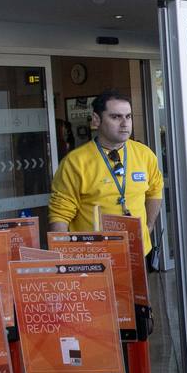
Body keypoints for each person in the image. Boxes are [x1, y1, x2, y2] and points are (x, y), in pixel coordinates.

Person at [48, 90, 164, 255]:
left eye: (128, 116)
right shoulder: (75, 162)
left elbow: (155, 190)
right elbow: (60, 214)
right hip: (93, 259)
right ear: (96, 120)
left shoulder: (145, 154)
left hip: (137, 253)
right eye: (116, 117)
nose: (125, 123)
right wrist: (64, 260)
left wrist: (148, 227)